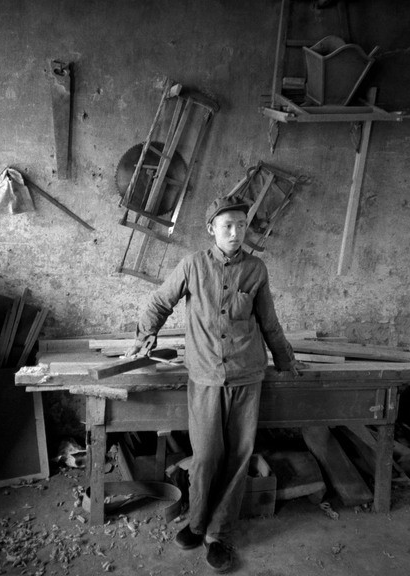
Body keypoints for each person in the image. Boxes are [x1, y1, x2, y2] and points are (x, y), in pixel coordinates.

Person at [126, 195, 304, 572]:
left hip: (247, 375)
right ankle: (196, 522)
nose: (236, 232)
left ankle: (218, 535)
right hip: (205, 376)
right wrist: (145, 337)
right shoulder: (192, 265)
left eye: (242, 225)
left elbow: (269, 322)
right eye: (228, 226)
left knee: (239, 458)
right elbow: (159, 302)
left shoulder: (256, 269)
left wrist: (286, 360)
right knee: (206, 457)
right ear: (212, 229)